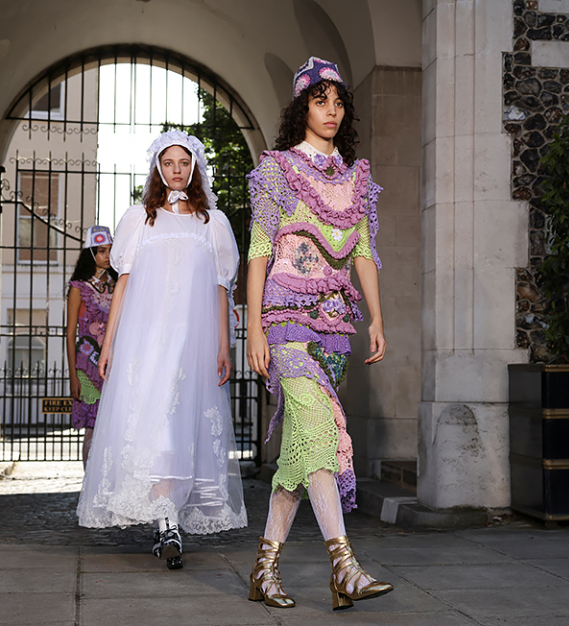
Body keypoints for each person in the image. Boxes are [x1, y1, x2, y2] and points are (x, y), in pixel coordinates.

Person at [245, 57, 391, 611]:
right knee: (316, 429)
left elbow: (364, 254)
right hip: (284, 321)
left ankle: (265, 567)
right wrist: (254, 327)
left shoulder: (357, 179)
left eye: (338, 102)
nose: (331, 111)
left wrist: (376, 318)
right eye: (319, 101)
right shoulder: (276, 171)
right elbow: (259, 253)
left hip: (333, 328)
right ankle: (344, 566)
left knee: (303, 448)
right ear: (301, 108)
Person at [76, 130, 247, 570]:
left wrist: (223, 346)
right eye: (169, 163)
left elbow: (220, 287)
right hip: (146, 342)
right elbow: (124, 283)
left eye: (184, 163)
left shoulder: (213, 223)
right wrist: (109, 344)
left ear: (195, 168)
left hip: (192, 344)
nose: (176, 170)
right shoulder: (139, 219)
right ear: (157, 168)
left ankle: (167, 521)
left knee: (179, 428)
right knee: (154, 428)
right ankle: (166, 523)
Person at [66, 225, 117, 468]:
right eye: (102, 251)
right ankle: (89, 483)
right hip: (87, 368)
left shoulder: (119, 285)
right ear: (91, 254)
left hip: (115, 366)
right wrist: (72, 376)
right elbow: (70, 334)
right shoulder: (79, 287)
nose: (107, 256)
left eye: (110, 250)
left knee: (114, 426)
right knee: (92, 428)